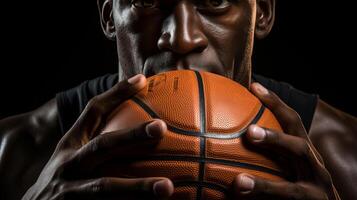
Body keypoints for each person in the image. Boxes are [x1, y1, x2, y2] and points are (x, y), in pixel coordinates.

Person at [0, 0, 356, 199]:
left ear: (261, 12)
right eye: (149, 2)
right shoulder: (16, 152)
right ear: (110, 17)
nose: (182, 37)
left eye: (214, 2)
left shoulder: (346, 157)